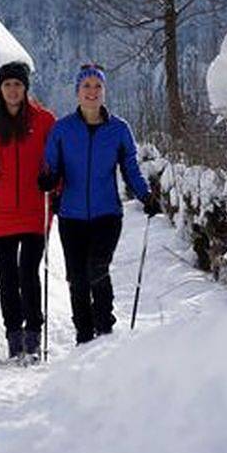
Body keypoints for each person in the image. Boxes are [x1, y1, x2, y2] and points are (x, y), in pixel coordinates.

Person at [40, 63, 160, 345]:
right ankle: (84, 335)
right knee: (77, 278)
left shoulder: (119, 129)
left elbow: (131, 168)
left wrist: (145, 195)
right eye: (86, 86)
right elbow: (50, 167)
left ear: (104, 91)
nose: (92, 91)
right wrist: (47, 179)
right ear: (77, 92)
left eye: (97, 86)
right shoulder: (62, 130)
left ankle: (104, 328)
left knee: (97, 267)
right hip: (71, 215)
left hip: (107, 214)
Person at [0, 61, 57, 360]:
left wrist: (53, 183)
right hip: (2, 214)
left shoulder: (45, 121)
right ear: (0, 89)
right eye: (7, 85)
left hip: (35, 212)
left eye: (17, 84)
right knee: (7, 277)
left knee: (28, 273)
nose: (12, 90)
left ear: (26, 87)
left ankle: (33, 334)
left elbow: (57, 162)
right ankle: (13, 335)